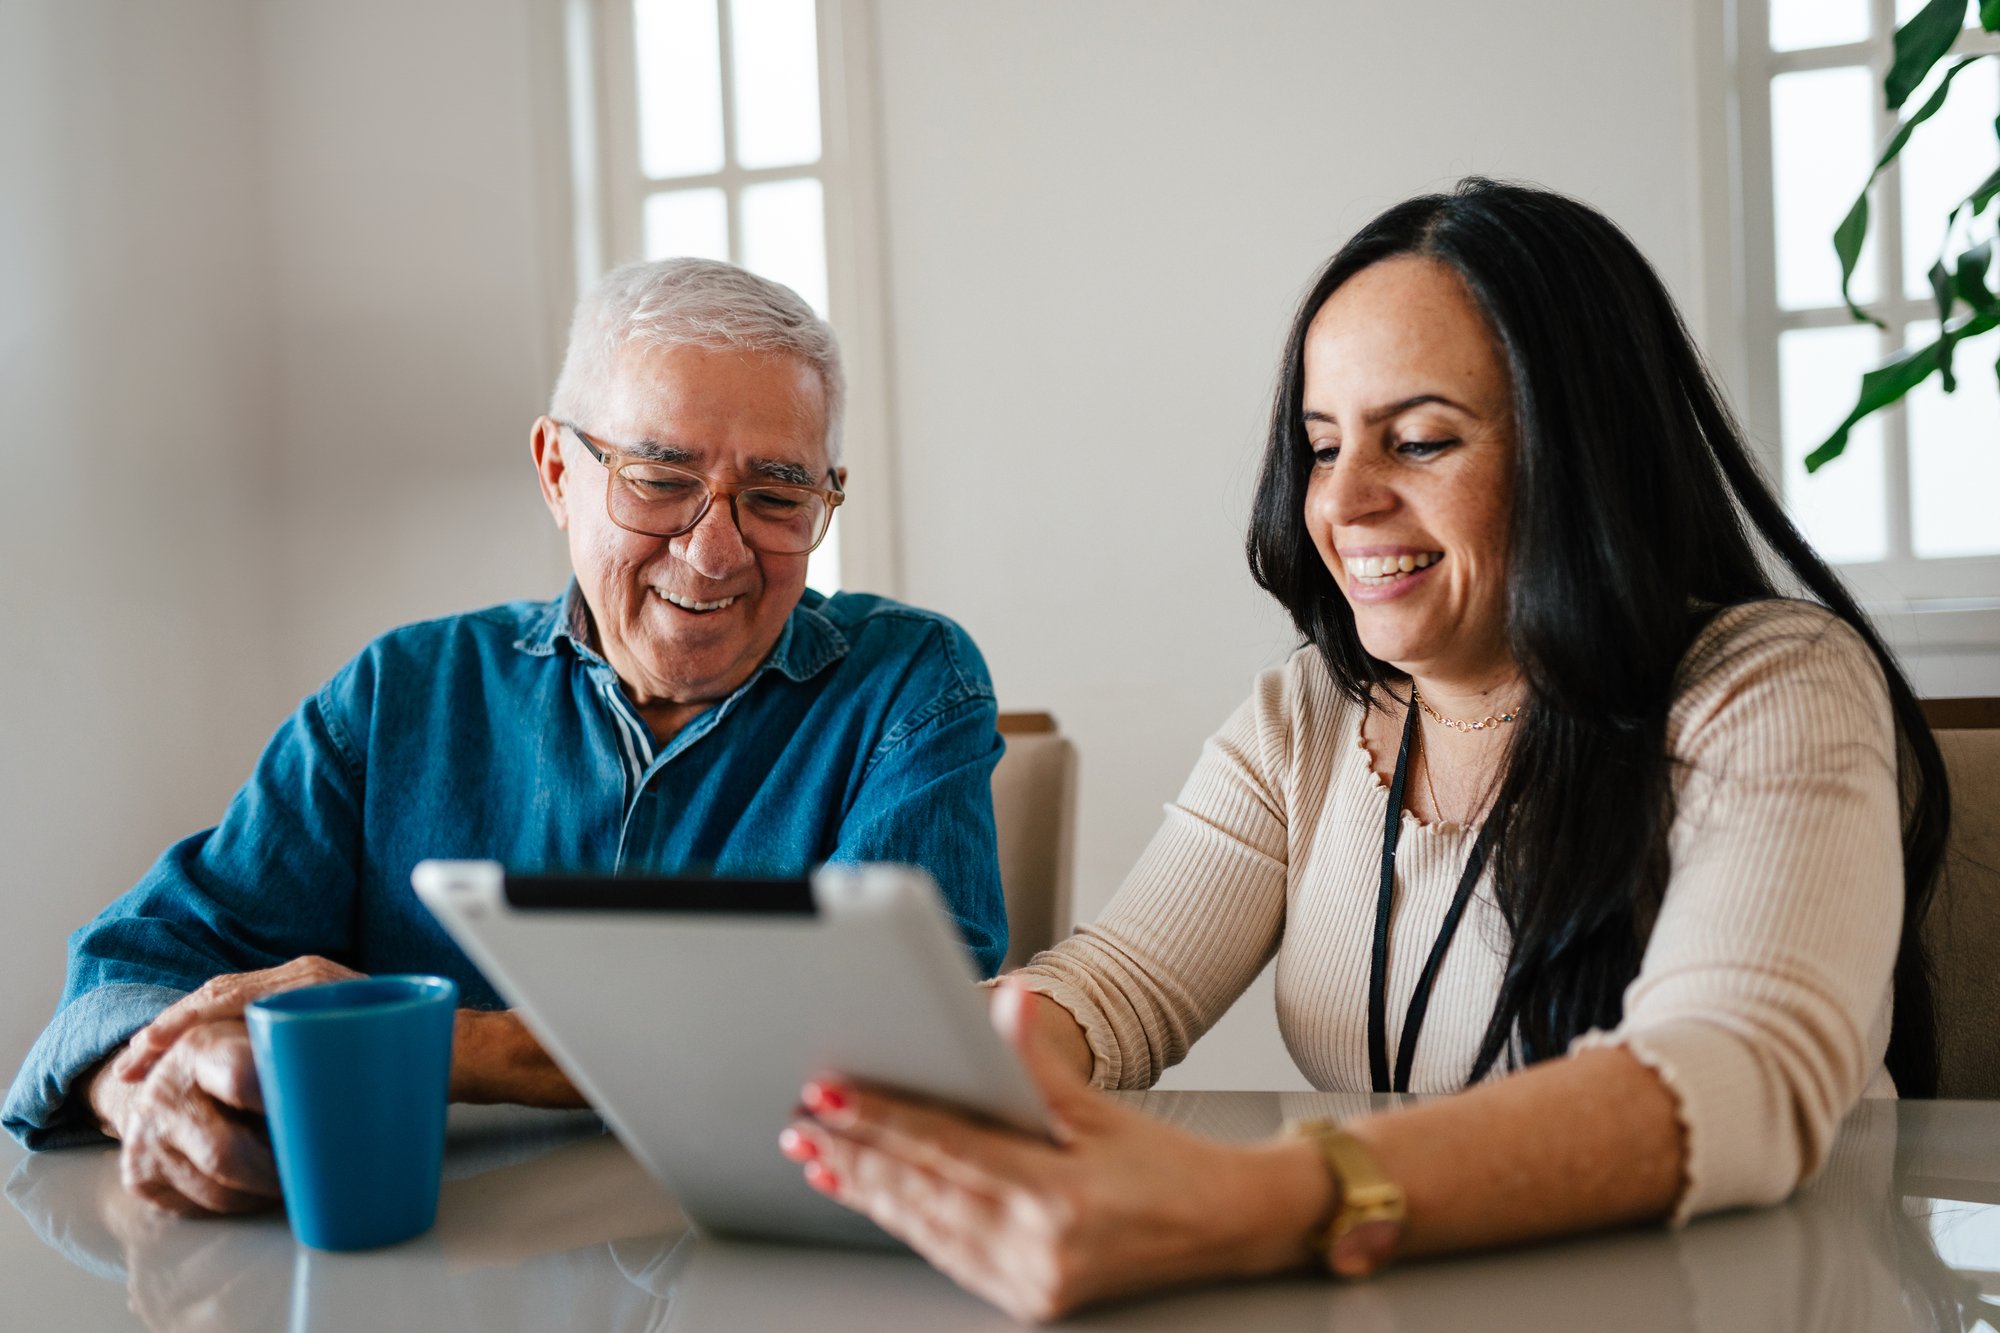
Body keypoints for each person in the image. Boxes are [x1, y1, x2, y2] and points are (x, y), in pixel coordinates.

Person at [781, 179, 1951, 1322]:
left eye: (1422, 440)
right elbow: (1118, 987)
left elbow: (1735, 1074)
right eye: (1321, 443)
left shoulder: (1771, 682)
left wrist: (1262, 1195)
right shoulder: (1306, 714)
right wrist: (1006, 1050)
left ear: (1584, 452)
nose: (1342, 502)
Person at [5, 259, 1010, 1218]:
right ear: (554, 470)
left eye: (778, 497)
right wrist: (137, 1087)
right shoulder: (399, 696)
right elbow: (121, 975)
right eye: (658, 480)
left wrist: (440, 1043)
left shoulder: (909, 682)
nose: (713, 553)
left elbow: (915, 1048)